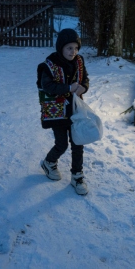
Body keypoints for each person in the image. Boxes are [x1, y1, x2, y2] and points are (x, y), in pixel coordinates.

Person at [37, 28, 90, 195]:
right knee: (62, 144)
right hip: (58, 112)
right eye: (69, 48)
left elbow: (85, 78)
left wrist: (84, 87)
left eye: (76, 48)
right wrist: (68, 88)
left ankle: (77, 176)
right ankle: (49, 162)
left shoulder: (79, 62)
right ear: (60, 47)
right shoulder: (49, 65)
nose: (73, 52)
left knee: (77, 142)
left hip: (75, 109)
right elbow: (47, 86)